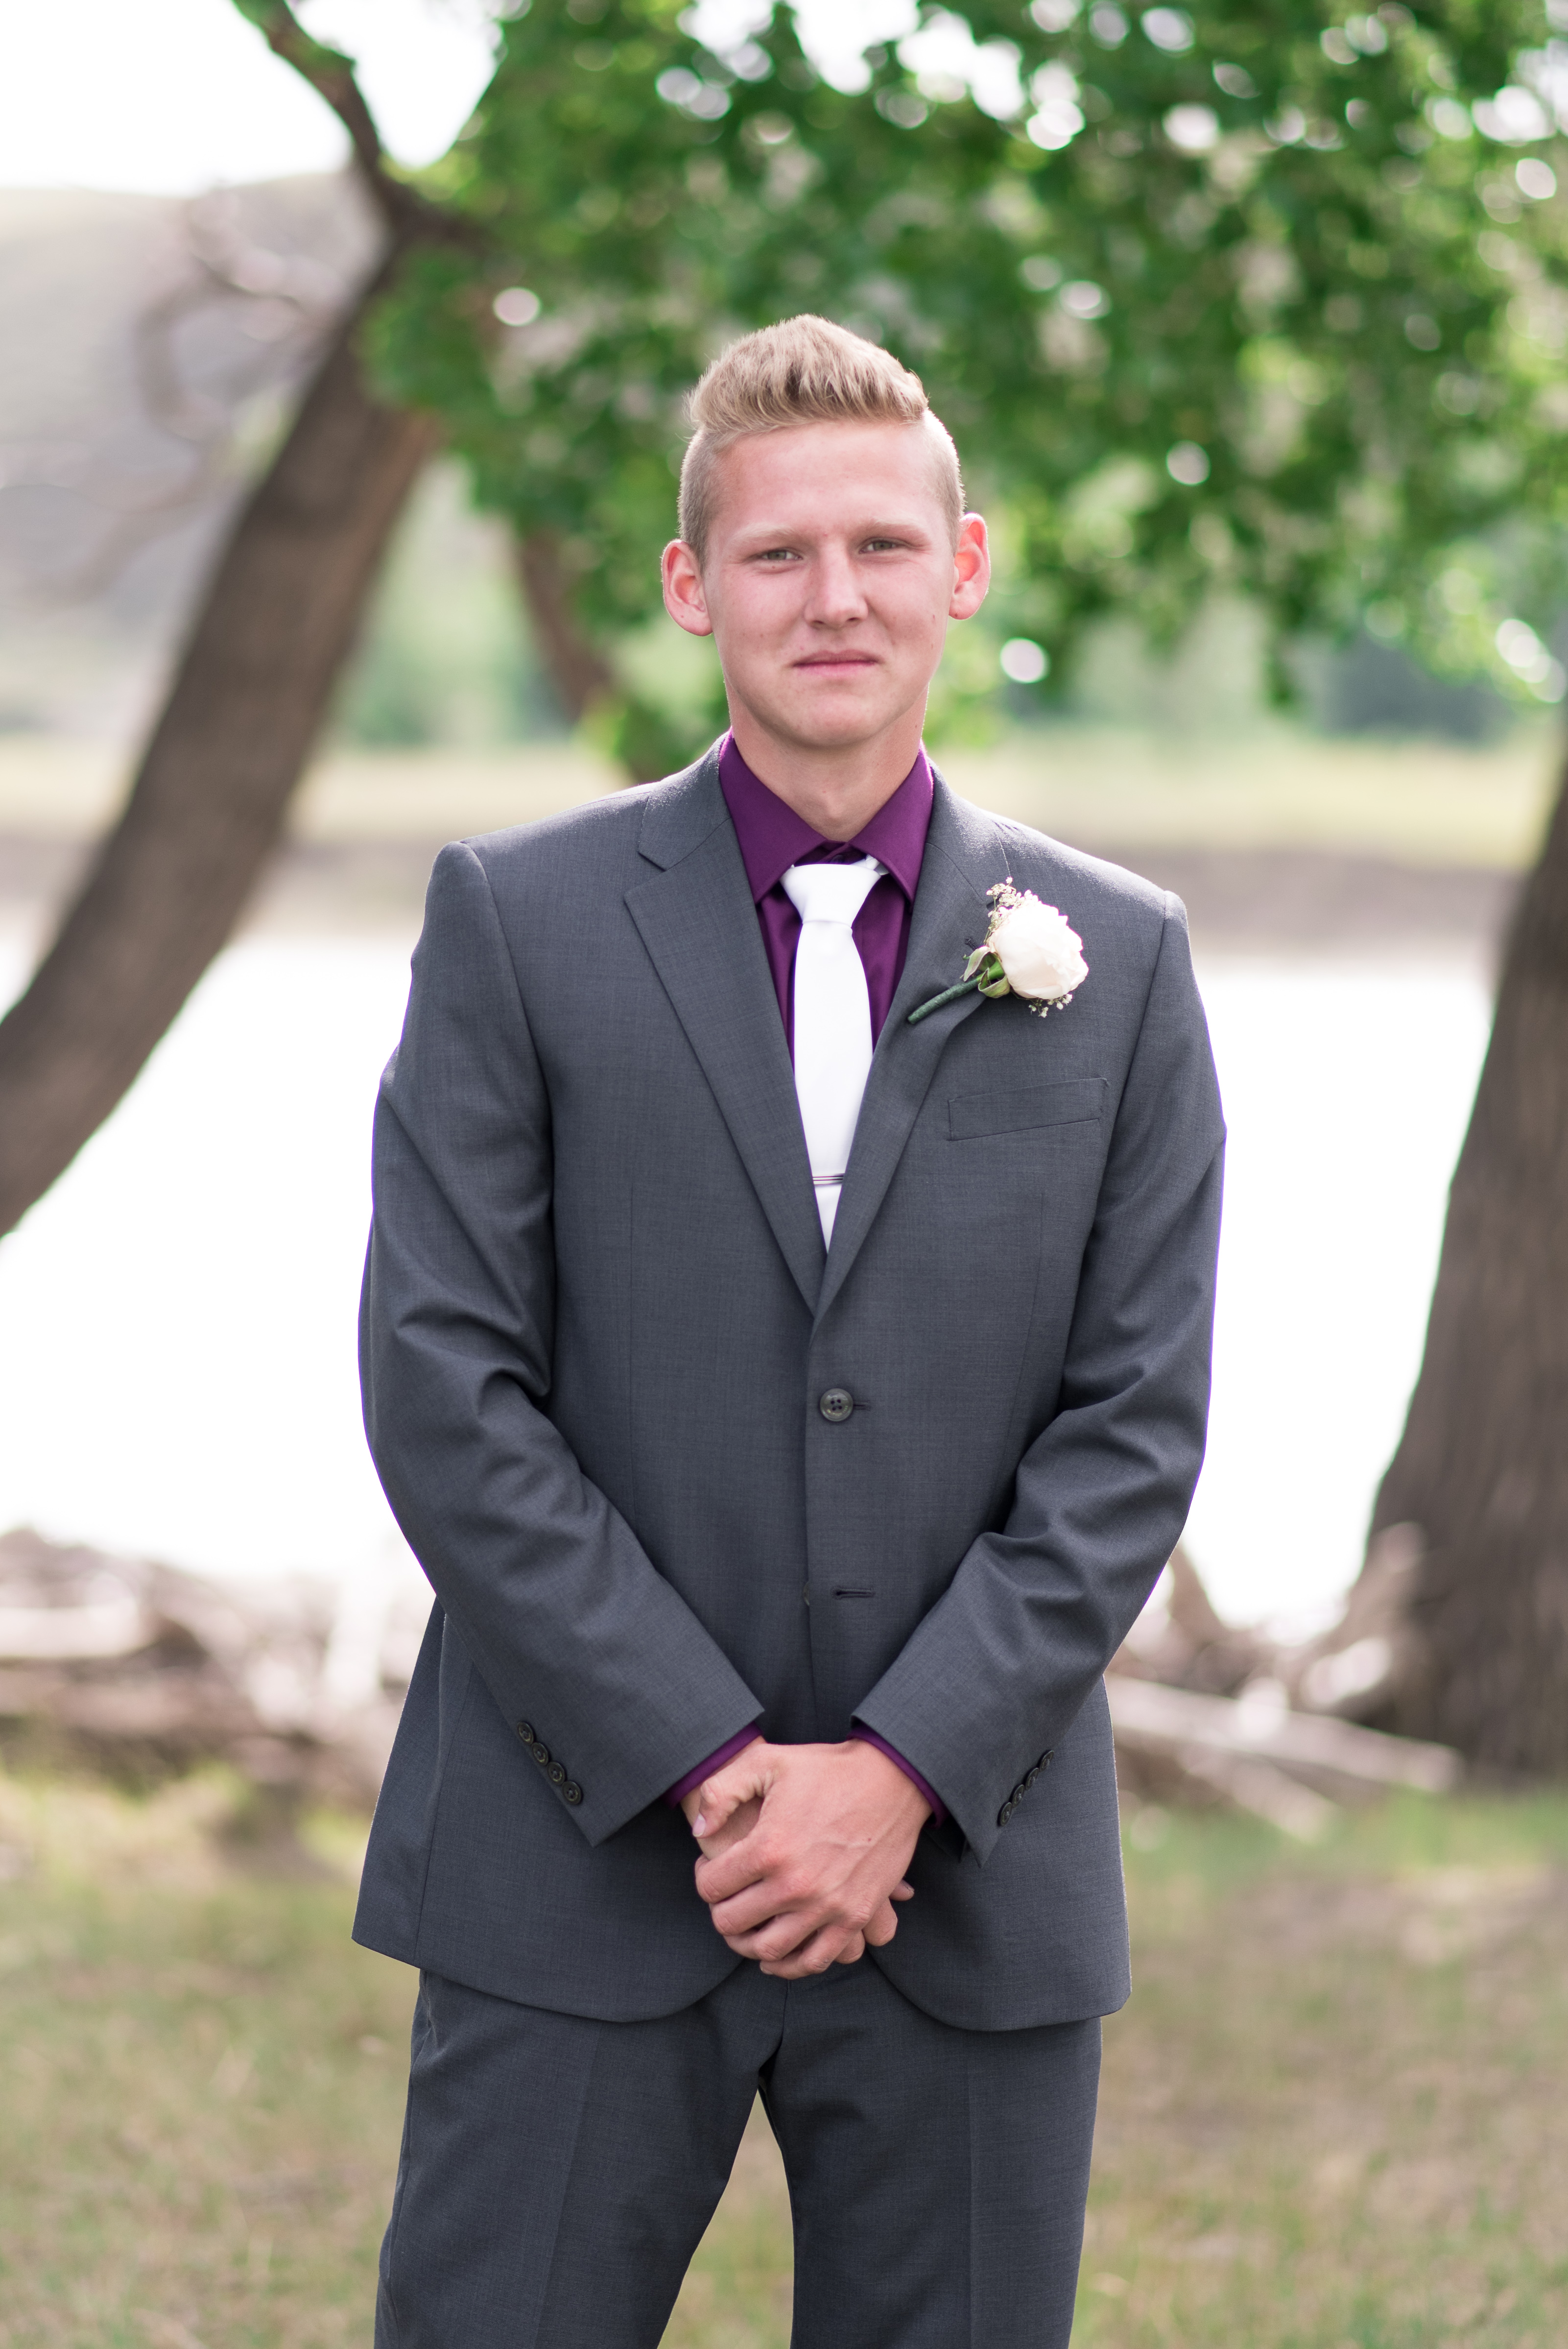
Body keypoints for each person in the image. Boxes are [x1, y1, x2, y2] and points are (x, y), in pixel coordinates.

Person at [355, 313, 1224, 2349]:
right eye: (777, 553)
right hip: (574, 1854)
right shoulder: (518, 920)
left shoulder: (1120, 960)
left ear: (964, 565)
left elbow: (1132, 1425)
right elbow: (445, 1386)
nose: (835, 595)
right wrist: (716, 1766)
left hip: (970, 1875)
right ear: (692, 586)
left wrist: (900, 1770)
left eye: (881, 546)